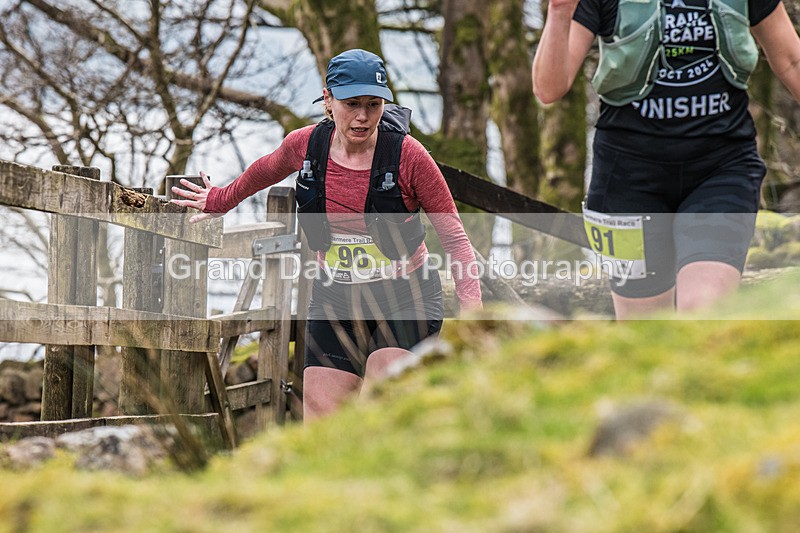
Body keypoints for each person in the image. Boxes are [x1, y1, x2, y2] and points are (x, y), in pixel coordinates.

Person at [171, 49, 482, 419]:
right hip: (335, 297)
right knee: (321, 422)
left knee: (381, 409)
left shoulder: (409, 157)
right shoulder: (306, 145)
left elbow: (456, 240)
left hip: (405, 298)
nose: (363, 116)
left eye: (373, 104)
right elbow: (263, 170)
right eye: (352, 104)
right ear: (329, 100)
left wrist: (475, 316)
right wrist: (220, 200)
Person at [532, 1, 800, 319]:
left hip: (721, 172)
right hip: (627, 181)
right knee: (646, 332)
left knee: (703, 309)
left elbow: (792, 61)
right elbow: (549, 88)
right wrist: (560, 13)